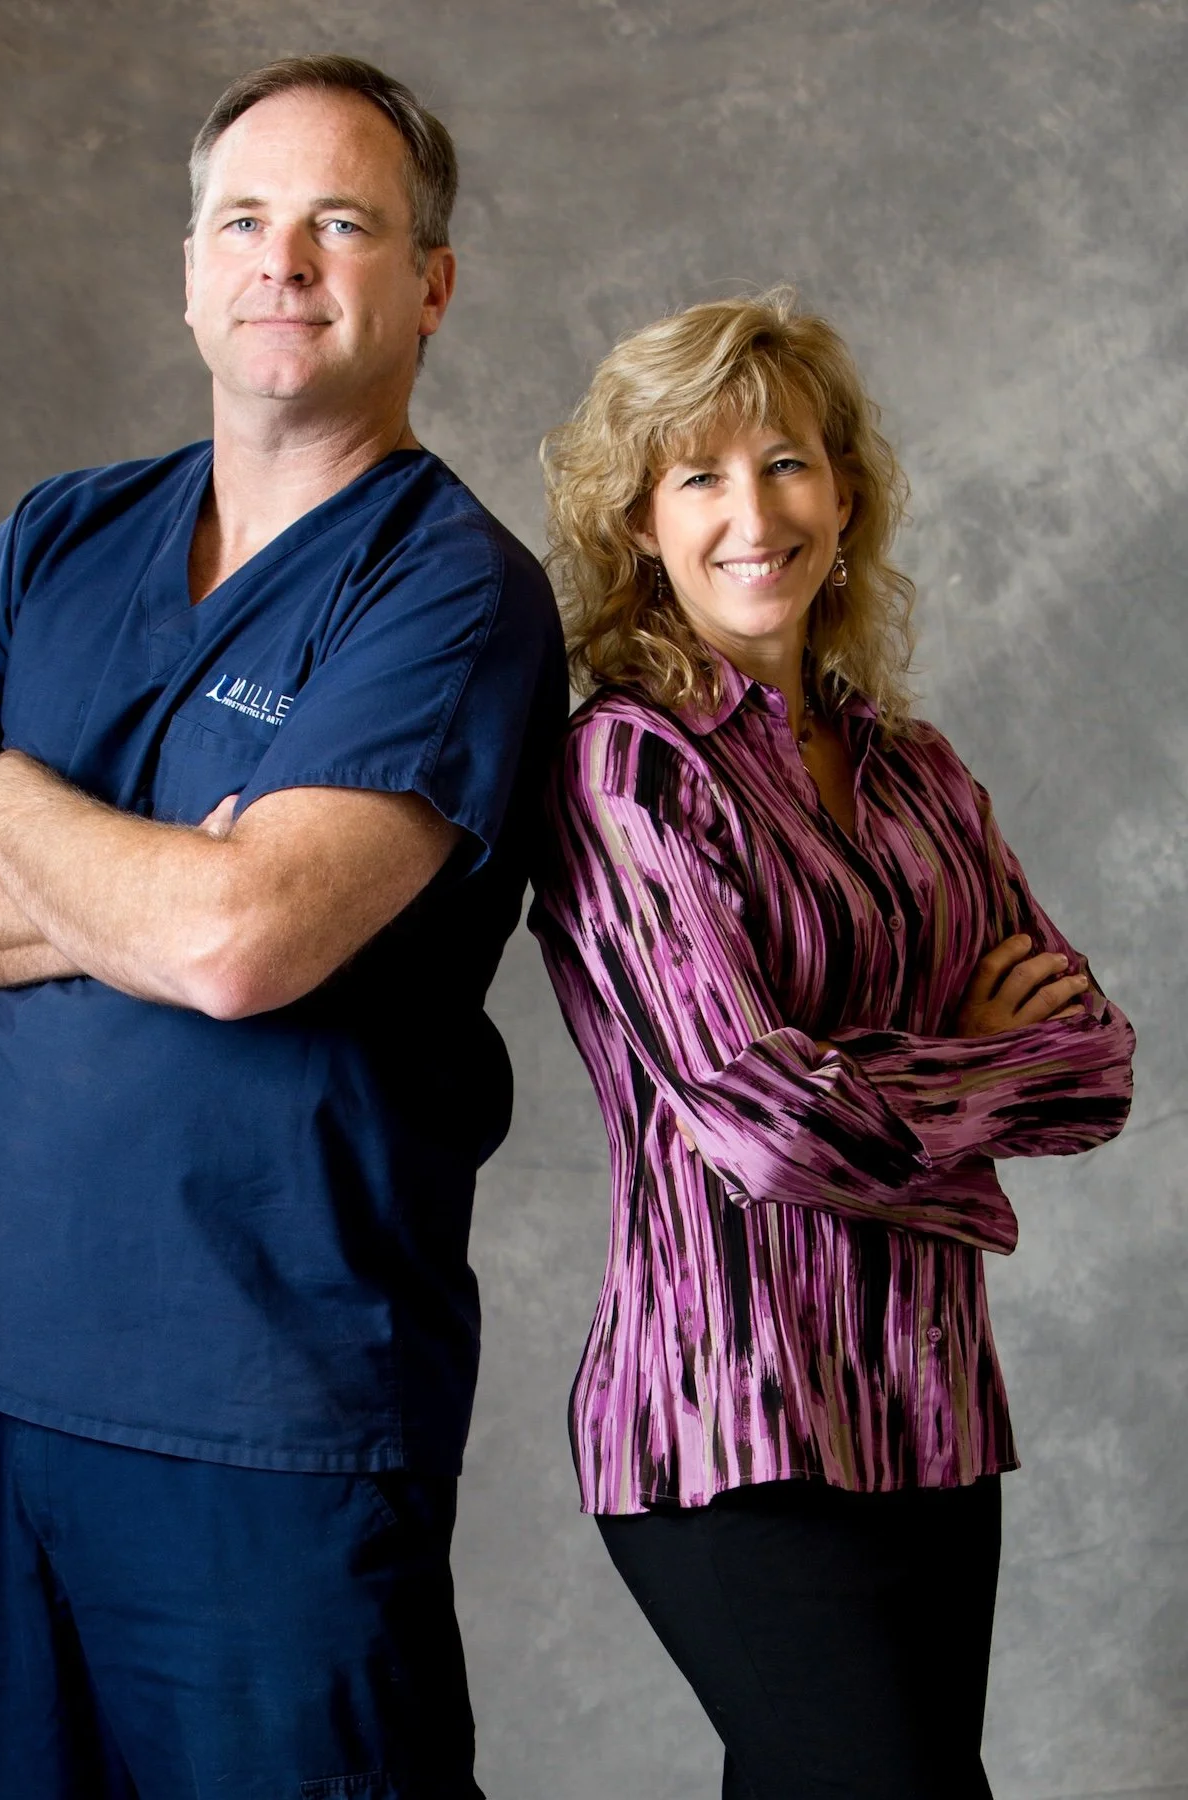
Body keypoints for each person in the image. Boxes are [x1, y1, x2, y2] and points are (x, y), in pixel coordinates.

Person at [0, 54, 565, 1799]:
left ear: (431, 284)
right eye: (244, 218)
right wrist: (137, 891)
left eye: (342, 224)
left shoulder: (451, 590)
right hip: (8, 1370)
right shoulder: (60, 535)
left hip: (270, 1411)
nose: (282, 261)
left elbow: (242, 944)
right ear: (189, 266)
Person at [529, 290, 1134, 1799]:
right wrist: (970, 1114)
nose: (755, 511)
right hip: (727, 1416)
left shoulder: (920, 774)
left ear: (844, 495)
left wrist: (872, 1086)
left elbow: (1096, 1064)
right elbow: (757, 1120)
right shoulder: (627, 772)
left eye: (786, 463)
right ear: (641, 527)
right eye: (700, 476)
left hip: (928, 1407)